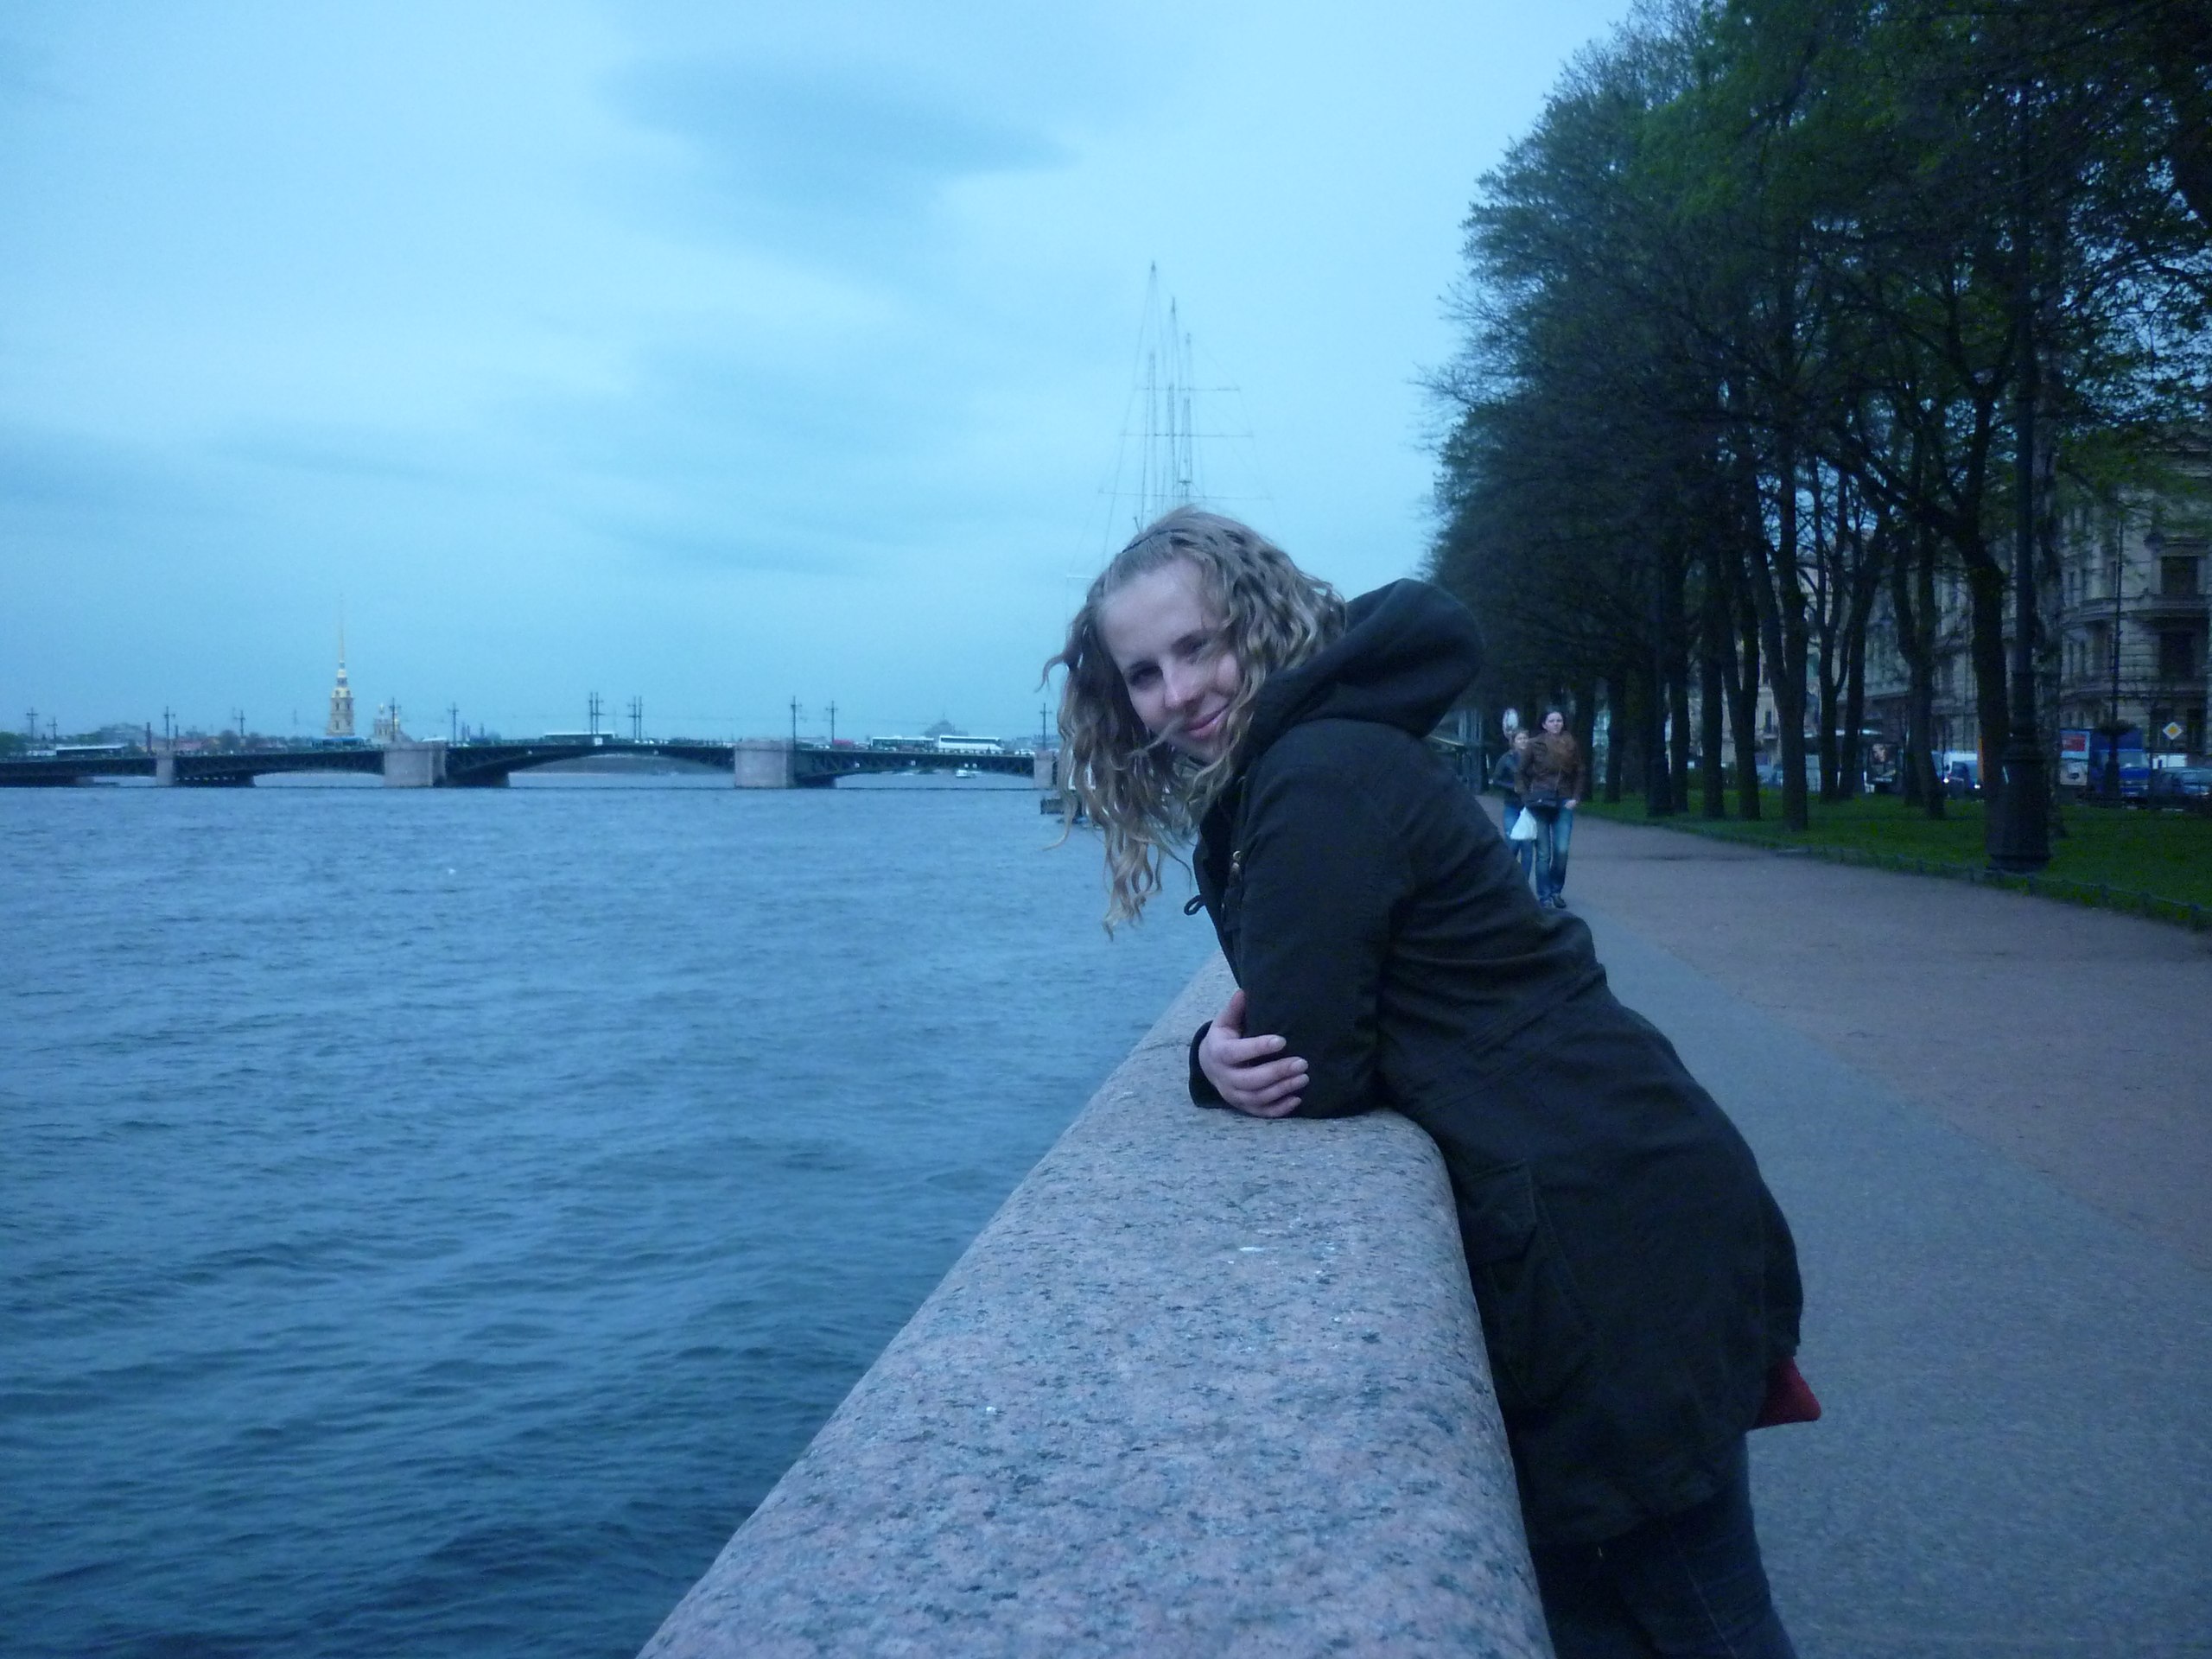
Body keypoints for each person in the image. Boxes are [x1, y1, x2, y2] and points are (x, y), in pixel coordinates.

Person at [1049, 508, 1807, 1659]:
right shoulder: (1330, 749)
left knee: (1696, 1615)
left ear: (1257, 625)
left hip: (1599, 1235)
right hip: (1612, 1183)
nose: (1177, 693)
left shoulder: (1315, 774)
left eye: (1198, 648)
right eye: (1144, 673)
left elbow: (1307, 1063)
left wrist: (1206, 1066)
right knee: (1641, 1605)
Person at [1521, 708, 1582, 910]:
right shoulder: (1534, 744)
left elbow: (1580, 772)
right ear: (1544, 724)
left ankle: (1557, 891)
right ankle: (1545, 896)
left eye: (1559, 720)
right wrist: (1526, 796)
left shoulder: (1571, 743)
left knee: (1561, 851)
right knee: (1543, 853)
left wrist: (1575, 797)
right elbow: (1520, 772)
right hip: (1540, 802)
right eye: (1552, 721)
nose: (1556, 724)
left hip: (1564, 801)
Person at [1490, 727, 1536, 885]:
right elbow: (1496, 780)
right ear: (1513, 742)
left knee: (1527, 847)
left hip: (1529, 807)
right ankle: (1508, 879)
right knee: (1512, 842)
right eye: (1520, 739)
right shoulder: (1506, 759)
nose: (1523, 741)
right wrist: (1513, 787)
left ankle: (1524, 884)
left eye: (1525, 738)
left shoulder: (1535, 758)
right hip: (1512, 806)